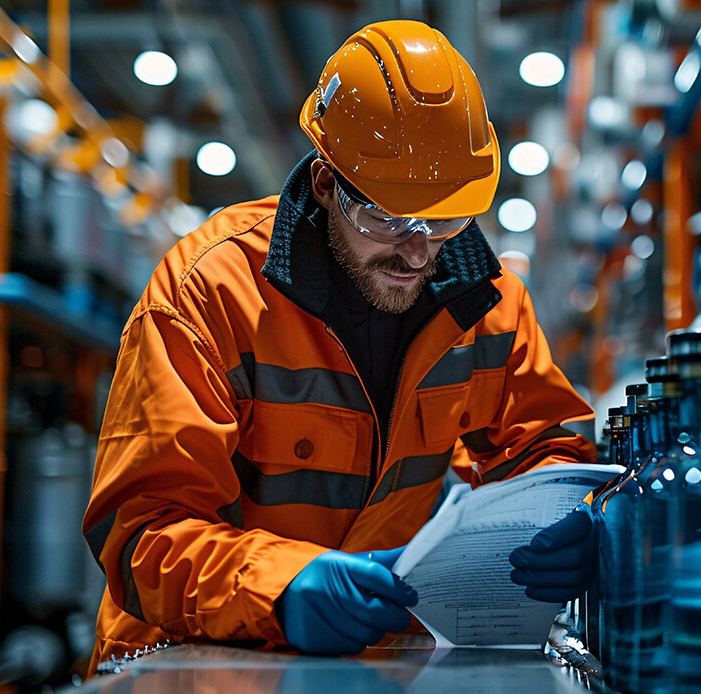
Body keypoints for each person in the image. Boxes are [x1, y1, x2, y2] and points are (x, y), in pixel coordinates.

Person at [82, 19, 598, 671]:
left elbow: (549, 446)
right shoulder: (209, 291)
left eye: (443, 217)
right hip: (187, 659)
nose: (417, 251)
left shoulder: (490, 305)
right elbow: (140, 531)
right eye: (386, 216)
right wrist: (279, 584)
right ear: (326, 184)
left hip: (366, 659)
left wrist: (574, 516)